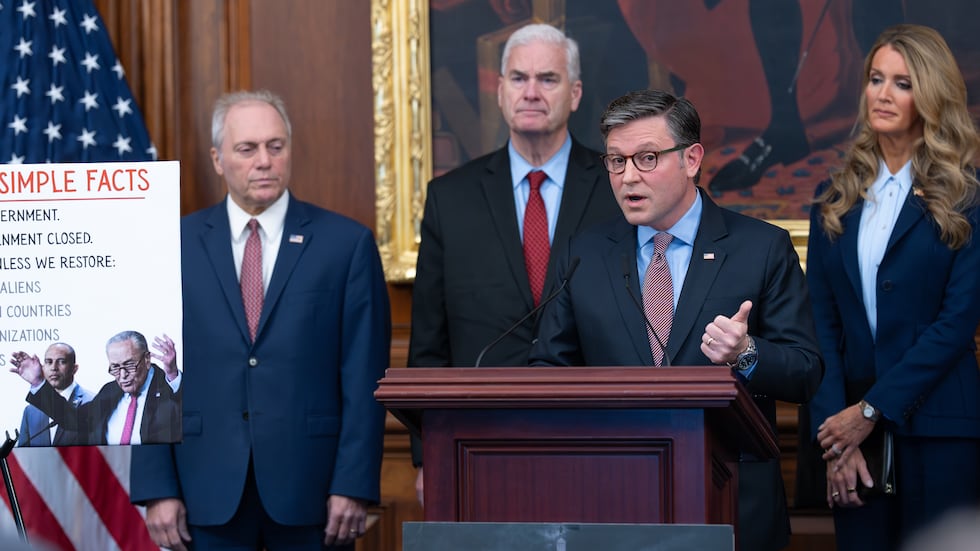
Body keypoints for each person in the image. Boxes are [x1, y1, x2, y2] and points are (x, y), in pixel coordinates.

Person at [529, 89, 823, 551]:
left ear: (691, 158)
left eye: (647, 158)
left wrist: (746, 354)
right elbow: (547, 369)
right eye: (616, 161)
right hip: (614, 503)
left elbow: (806, 373)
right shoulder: (584, 254)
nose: (628, 177)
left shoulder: (761, 249)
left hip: (730, 502)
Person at [129, 90, 391, 551]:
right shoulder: (171, 243)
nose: (264, 161)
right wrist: (157, 487)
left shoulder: (345, 245)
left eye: (276, 146)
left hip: (314, 494)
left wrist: (354, 482)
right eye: (247, 149)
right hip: (203, 492)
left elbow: (364, 376)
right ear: (217, 158)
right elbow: (150, 371)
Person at [408, 22, 620, 502]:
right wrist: (427, 454)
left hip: (601, 441)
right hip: (478, 442)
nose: (531, 92)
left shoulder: (617, 190)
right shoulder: (450, 198)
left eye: (548, 79)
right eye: (518, 79)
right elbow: (428, 343)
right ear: (501, 92)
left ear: (575, 93)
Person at [807, 24, 980, 551]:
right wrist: (838, 441)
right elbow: (821, 327)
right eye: (875, 78)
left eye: (902, 83)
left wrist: (869, 411)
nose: (883, 94)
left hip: (941, 432)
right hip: (852, 439)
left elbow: (955, 327)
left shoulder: (967, 198)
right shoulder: (832, 198)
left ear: (930, 94)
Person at [10, 331, 180, 446]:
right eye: (115, 367)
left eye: (129, 365)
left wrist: (172, 374)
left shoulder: (167, 387)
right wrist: (38, 382)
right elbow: (73, 420)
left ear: (147, 360)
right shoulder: (110, 391)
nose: (122, 375)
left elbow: (185, 410)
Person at [15, 342, 93, 447]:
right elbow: (23, 456)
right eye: (49, 362)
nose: (54, 368)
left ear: (74, 368)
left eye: (61, 362)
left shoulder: (92, 402)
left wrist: (38, 383)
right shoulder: (31, 411)